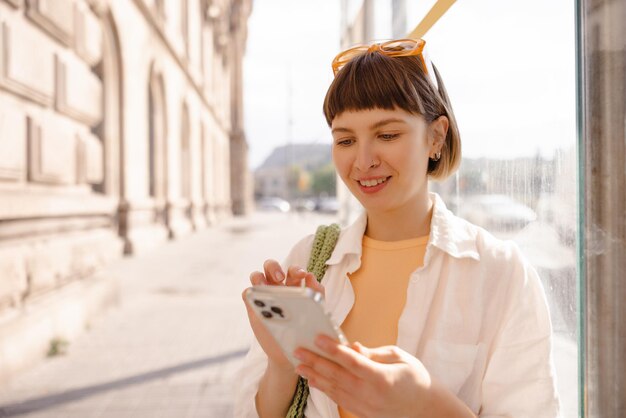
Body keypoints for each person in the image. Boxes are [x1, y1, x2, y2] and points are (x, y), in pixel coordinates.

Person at [235, 38, 560, 417]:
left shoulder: (501, 273)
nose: (363, 160)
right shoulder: (308, 259)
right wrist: (283, 363)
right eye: (345, 140)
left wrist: (428, 405)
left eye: (387, 135)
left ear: (436, 137)